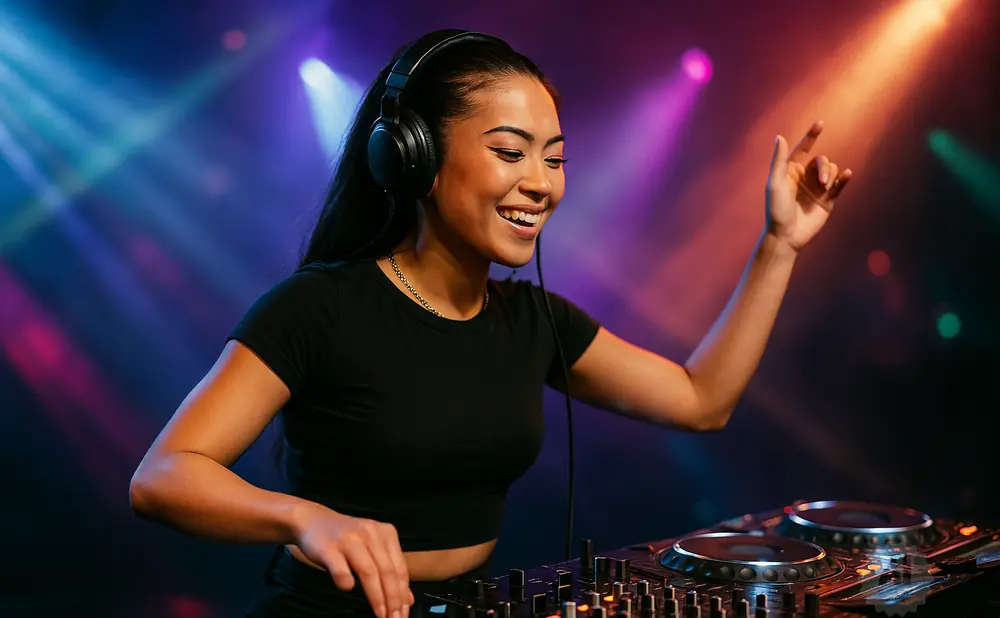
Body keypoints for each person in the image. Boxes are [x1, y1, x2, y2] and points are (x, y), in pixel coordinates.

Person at [128, 29, 851, 618]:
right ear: (415, 158)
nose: (540, 183)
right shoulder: (319, 306)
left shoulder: (535, 320)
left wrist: (778, 245)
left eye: (554, 159)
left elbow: (701, 400)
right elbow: (163, 476)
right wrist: (305, 519)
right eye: (510, 152)